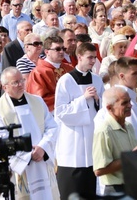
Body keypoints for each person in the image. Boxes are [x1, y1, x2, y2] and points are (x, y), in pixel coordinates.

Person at [0, 68, 60, 200]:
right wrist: (27, 155)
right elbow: (1, 137)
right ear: (5, 87)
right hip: (20, 167)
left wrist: (43, 148)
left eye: (22, 80)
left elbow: (52, 127)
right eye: (15, 82)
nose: (21, 84)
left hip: (41, 161)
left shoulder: (37, 101)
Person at [54, 42, 105, 200]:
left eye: (94, 58)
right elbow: (60, 111)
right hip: (72, 138)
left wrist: (97, 100)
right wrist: (83, 99)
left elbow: (103, 108)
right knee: (73, 186)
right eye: (89, 57)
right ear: (79, 57)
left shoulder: (97, 80)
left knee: (90, 185)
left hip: (91, 135)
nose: (92, 61)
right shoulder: (66, 81)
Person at [93, 87, 137, 195]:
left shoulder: (128, 126)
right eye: (124, 103)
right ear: (109, 108)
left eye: (130, 101)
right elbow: (99, 170)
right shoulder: (104, 131)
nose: (130, 105)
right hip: (116, 190)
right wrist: (130, 157)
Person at [25, 35, 73, 111]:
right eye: (57, 49)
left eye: (63, 49)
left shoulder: (69, 68)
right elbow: (39, 99)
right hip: (50, 114)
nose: (61, 51)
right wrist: (65, 98)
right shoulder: (38, 72)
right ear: (47, 52)